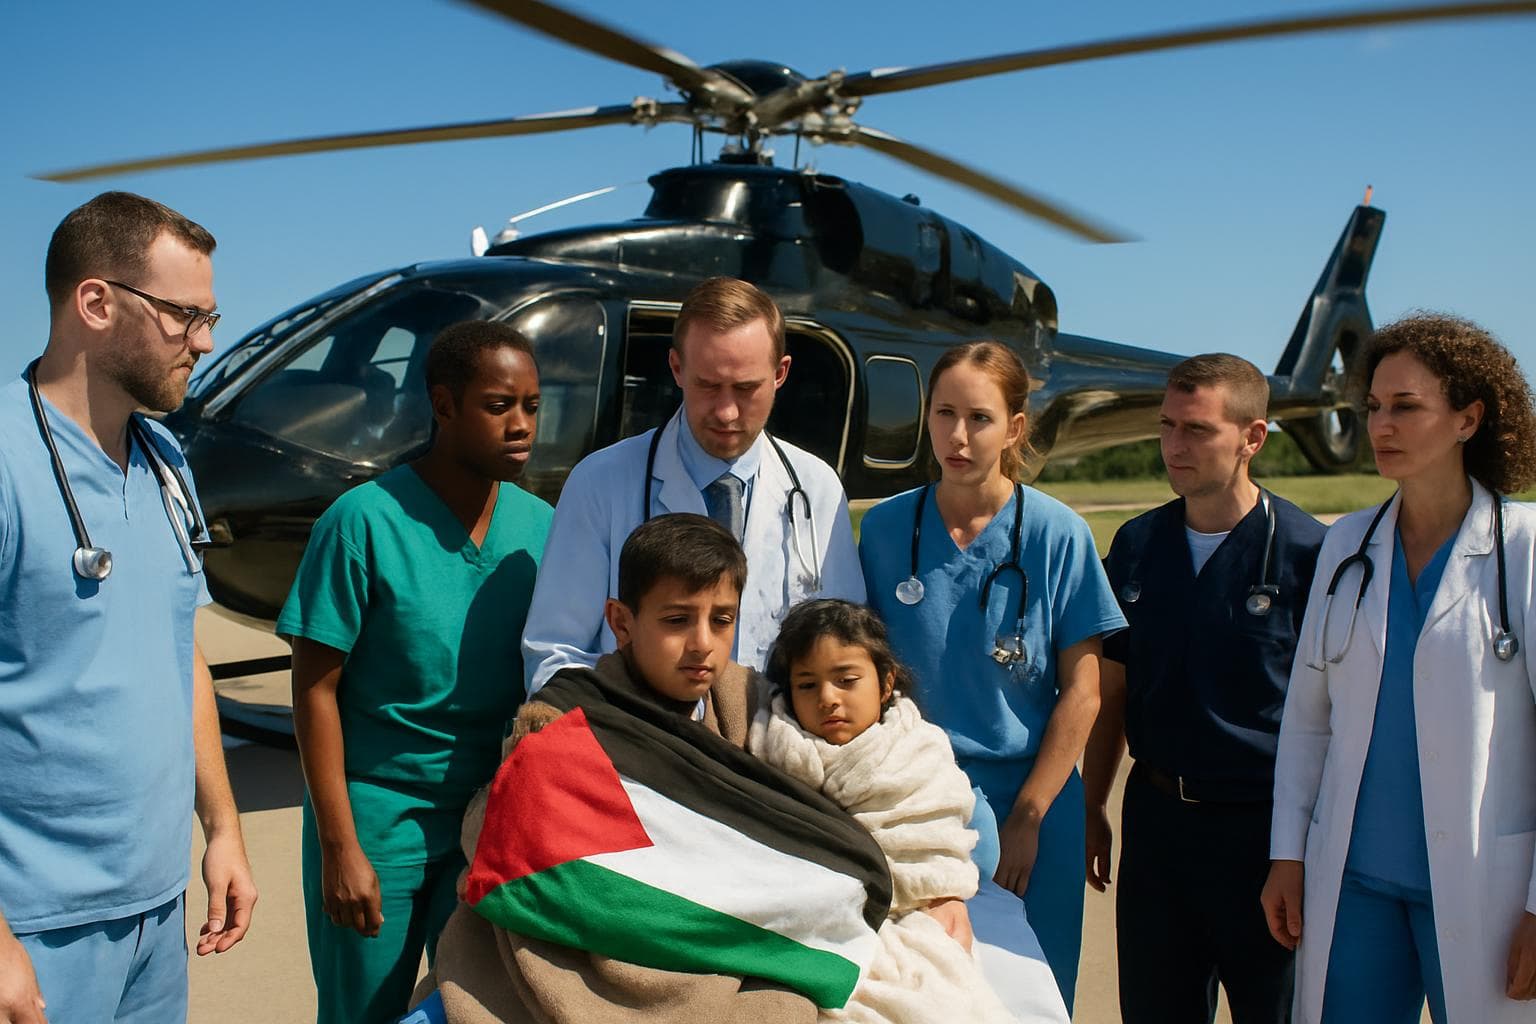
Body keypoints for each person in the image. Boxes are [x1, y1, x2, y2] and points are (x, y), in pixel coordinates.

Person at [419, 514, 886, 1024]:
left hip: (721, 963)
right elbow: (528, 850)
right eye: (676, 620)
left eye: (722, 619)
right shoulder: (567, 717)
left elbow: (868, 769)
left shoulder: (757, 704)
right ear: (621, 622)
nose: (702, 642)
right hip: (566, 961)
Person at [0, 191, 256, 1024]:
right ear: (97, 303)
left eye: (210, 315)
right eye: (185, 315)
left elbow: (180, 652)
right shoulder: (6, 461)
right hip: (34, 928)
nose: (206, 341)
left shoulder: (165, 458)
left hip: (156, 911)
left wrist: (221, 826)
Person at [1260, 313, 1536, 1024]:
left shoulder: (1525, 549)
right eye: (1374, 408)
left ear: (1469, 418)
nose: (1382, 426)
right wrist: (1287, 853)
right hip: (1355, 883)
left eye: (1406, 408)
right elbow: (1309, 719)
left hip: (1487, 887)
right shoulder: (1349, 542)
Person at [277, 320, 552, 1023]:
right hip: (377, 816)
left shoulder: (544, 529)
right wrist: (340, 846)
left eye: (532, 405)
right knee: (361, 1011)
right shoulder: (361, 522)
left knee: (485, 1010)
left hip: (486, 819)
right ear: (444, 404)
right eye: (499, 406)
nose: (521, 425)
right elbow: (314, 691)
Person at [858, 340, 1126, 1010]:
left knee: (1035, 992)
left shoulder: (1056, 535)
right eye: (944, 413)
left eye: (979, 418)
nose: (957, 435)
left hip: (1032, 801)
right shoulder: (888, 529)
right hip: (914, 800)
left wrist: (1030, 817)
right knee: (919, 993)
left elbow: (1083, 692)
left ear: (1015, 428)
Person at [1084, 353, 1324, 1023]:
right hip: (1158, 827)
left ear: (1253, 438)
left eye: (1197, 430)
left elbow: (1333, 722)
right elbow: (1111, 692)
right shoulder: (1136, 546)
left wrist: (1298, 855)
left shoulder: (1308, 555)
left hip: (1263, 832)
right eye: (1166, 426)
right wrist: (1093, 803)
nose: (1174, 446)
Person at [520, 275, 864, 693]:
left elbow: (845, 651)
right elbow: (556, 657)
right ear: (677, 369)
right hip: (638, 744)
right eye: (707, 385)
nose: (726, 413)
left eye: (745, 388)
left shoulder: (816, 489)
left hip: (775, 747)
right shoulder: (600, 482)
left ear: (780, 374)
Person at [751, 598, 1024, 1024]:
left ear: (884, 683)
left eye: (846, 680)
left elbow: (935, 848)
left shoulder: (919, 754)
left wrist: (942, 891)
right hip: (808, 930)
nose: (827, 698)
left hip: (916, 916)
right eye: (807, 685)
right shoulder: (770, 756)